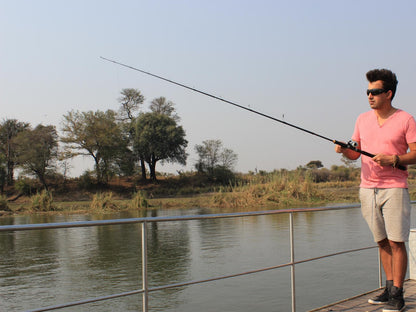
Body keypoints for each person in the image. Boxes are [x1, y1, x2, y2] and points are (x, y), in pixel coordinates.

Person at [335, 69, 416, 312]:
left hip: (394, 188)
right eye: (367, 92)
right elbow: (354, 153)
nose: (370, 96)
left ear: (388, 93)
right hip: (367, 189)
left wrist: (394, 159)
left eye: (375, 92)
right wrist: (343, 151)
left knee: (397, 241)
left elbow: (415, 152)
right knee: (381, 241)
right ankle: (390, 288)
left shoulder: (405, 119)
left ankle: (398, 294)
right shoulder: (362, 119)